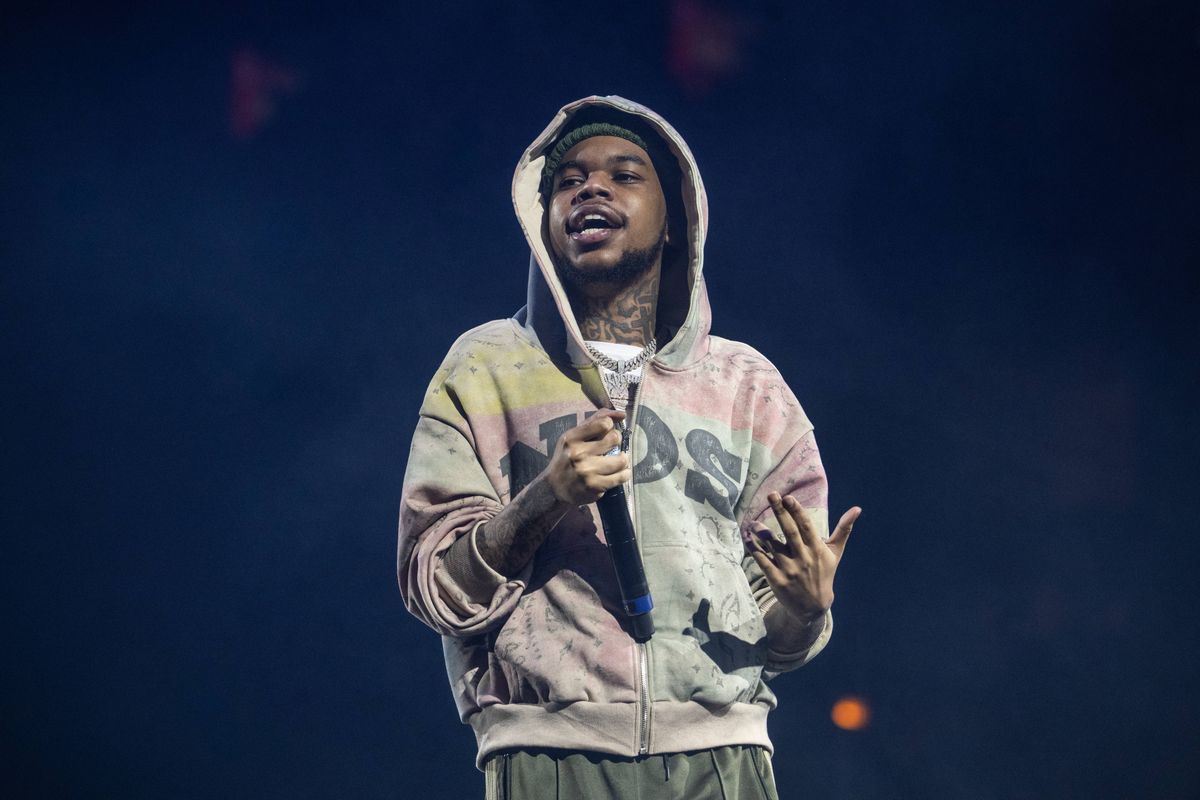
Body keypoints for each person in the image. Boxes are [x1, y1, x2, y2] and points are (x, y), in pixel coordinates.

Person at [397, 95, 861, 799]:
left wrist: (805, 607)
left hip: (721, 760)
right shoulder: (487, 367)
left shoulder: (747, 386)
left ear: (674, 219)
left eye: (624, 175)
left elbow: (780, 636)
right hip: (550, 760)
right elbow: (434, 588)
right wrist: (546, 498)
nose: (592, 187)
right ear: (543, 220)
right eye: (569, 179)